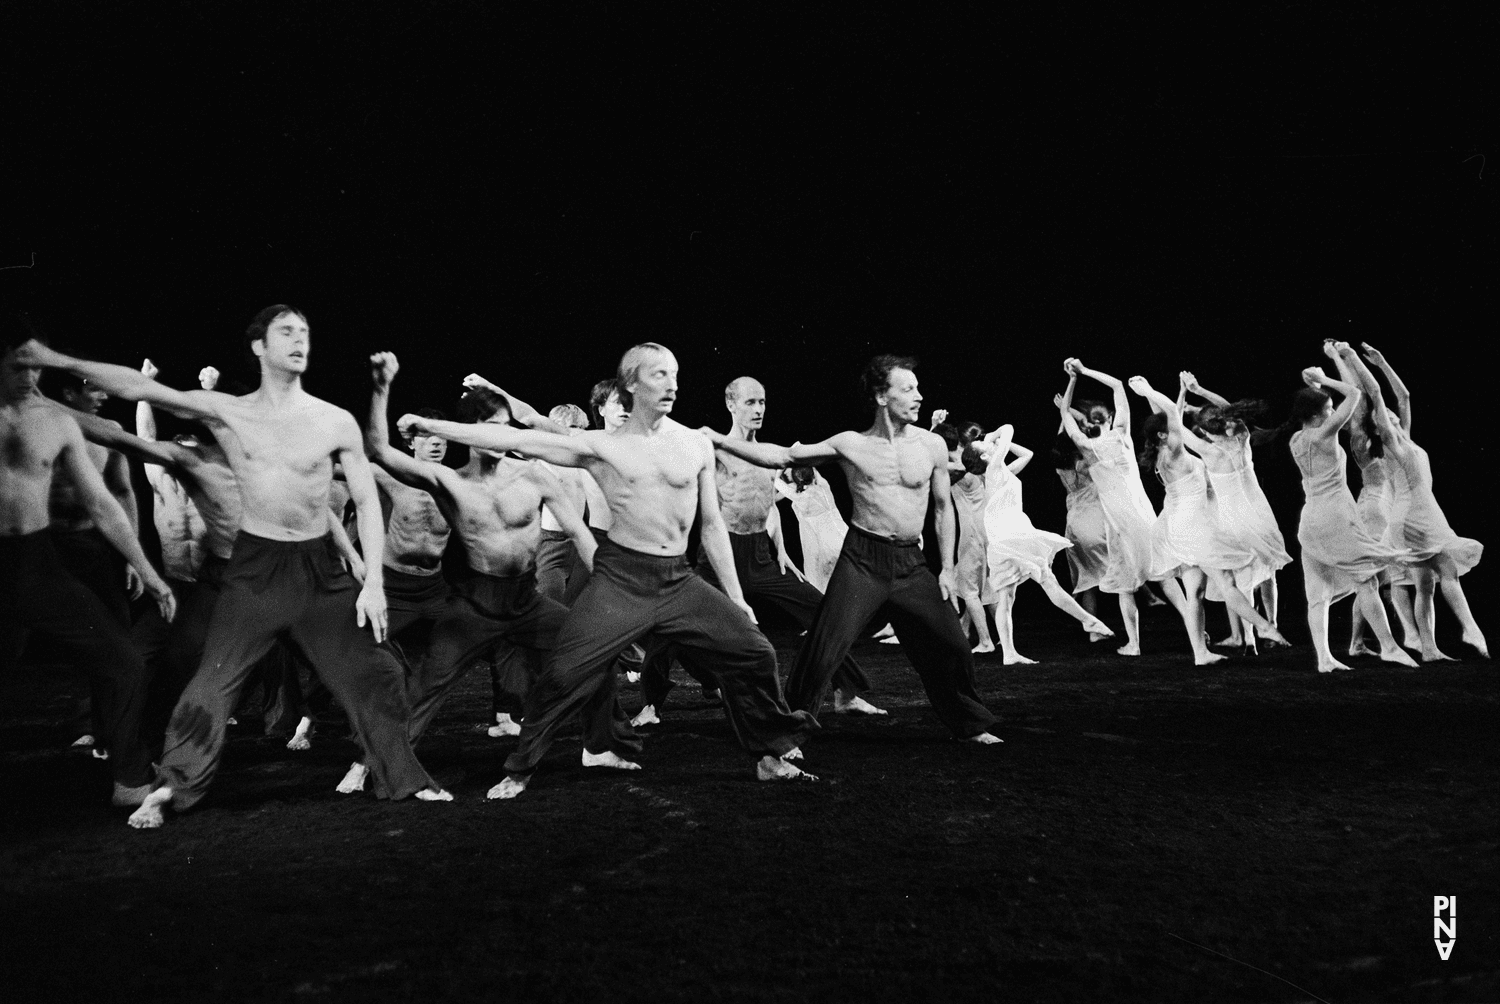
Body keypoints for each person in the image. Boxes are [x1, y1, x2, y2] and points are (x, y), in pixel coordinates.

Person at [18, 305, 450, 828]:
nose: (299, 340)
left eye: (305, 332)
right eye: (285, 332)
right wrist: (51, 361)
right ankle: (171, 788)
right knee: (210, 686)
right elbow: (138, 392)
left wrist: (373, 579)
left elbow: (362, 494)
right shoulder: (228, 412)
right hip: (254, 570)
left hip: (318, 570)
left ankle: (406, 777)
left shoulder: (333, 420)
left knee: (376, 672)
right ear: (258, 347)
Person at [399, 342, 818, 797]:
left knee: (755, 653)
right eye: (658, 374)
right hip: (622, 578)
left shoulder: (694, 443)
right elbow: (517, 438)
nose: (672, 384)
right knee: (563, 673)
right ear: (631, 384)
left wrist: (736, 597)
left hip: (677, 579)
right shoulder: (602, 445)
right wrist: (431, 425)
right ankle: (519, 769)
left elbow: (712, 524)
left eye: (675, 373)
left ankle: (769, 757)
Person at [335, 354, 609, 793]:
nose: (500, 437)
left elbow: (579, 533)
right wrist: (382, 387)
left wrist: (615, 588)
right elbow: (381, 450)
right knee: (424, 686)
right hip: (475, 604)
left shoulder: (533, 474)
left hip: (528, 598)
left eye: (505, 427)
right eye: (490, 428)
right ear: (472, 432)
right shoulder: (449, 481)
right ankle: (369, 762)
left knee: (595, 648)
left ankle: (601, 745)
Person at [703, 355, 1000, 744]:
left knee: (954, 646)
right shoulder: (851, 444)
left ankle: (969, 724)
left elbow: (943, 509)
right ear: (881, 396)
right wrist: (718, 438)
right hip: (863, 560)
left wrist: (946, 567)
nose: (919, 396)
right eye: (907, 389)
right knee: (824, 648)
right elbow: (784, 456)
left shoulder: (930, 445)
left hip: (911, 563)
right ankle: (786, 733)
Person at [633, 377, 885, 726]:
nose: (758, 409)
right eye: (750, 402)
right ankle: (650, 705)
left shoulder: (769, 452)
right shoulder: (715, 449)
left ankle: (846, 692)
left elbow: (770, 507)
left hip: (761, 556)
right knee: (669, 625)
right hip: (721, 556)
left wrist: (780, 549)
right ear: (731, 405)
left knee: (824, 613)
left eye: (762, 402)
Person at [0, 322, 176, 808]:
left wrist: (148, 569)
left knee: (122, 660)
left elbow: (103, 502)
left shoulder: (54, 420)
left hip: (37, 564)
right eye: (18, 365)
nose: (29, 376)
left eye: (36, 364)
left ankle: (130, 780)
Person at [1128, 377, 1292, 660]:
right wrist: (1148, 391)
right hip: (1191, 526)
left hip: (1184, 522)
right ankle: (1263, 626)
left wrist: (1177, 393)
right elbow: (1172, 415)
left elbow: (1170, 416)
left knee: (1197, 592)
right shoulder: (1176, 452)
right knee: (1225, 582)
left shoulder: (1168, 449)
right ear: (1163, 437)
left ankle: (1201, 652)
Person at [1344, 344, 1486, 660]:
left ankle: (1431, 649)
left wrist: (1382, 361)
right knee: (1446, 568)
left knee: (1426, 586)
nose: (1394, 415)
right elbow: (1377, 394)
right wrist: (1353, 360)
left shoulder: (1405, 436)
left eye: (1394, 416)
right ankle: (1469, 629)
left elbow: (1404, 396)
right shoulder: (1391, 443)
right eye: (1387, 417)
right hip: (1413, 513)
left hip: (1418, 511)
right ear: (1381, 427)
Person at [1287, 342, 1418, 672]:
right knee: (1367, 582)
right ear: (1319, 416)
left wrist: (1316, 385)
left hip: (1310, 518)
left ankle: (1325, 659)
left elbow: (1342, 405)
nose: (1333, 414)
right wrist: (1328, 374)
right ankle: (1388, 645)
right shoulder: (1324, 434)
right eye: (1328, 410)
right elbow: (1356, 397)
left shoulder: (1297, 440)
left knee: (1317, 593)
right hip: (1336, 516)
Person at [1056, 359, 1197, 656]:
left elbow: (1065, 416)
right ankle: (1194, 626)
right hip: (1143, 515)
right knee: (1165, 575)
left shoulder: (1086, 445)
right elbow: (1118, 386)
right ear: (1107, 420)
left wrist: (1072, 381)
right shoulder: (1121, 434)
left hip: (1119, 523)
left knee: (1125, 585)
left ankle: (1133, 644)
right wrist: (1085, 371)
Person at [967, 424, 1115, 663]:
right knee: (1045, 579)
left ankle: (1009, 653)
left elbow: (1027, 454)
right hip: (1010, 532)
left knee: (1007, 595)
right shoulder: (993, 468)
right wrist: (993, 436)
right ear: (984, 456)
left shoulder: (1001, 472)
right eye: (983, 446)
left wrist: (991, 442)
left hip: (1003, 535)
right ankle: (1087, 620)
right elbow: (1009, 428)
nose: (989, 445)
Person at [1177, 371, 1293, 650]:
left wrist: (1182, 395)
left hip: (1233, 518)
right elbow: (1227, 408)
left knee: (1240, 577)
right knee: (1265, 572)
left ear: (1204, 431)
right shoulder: (1241, 435)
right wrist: (1199, 389)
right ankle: (1270, 625)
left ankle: (1250, 638)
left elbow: (1174, 423)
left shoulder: (1208, 451)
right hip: (1259, 512)